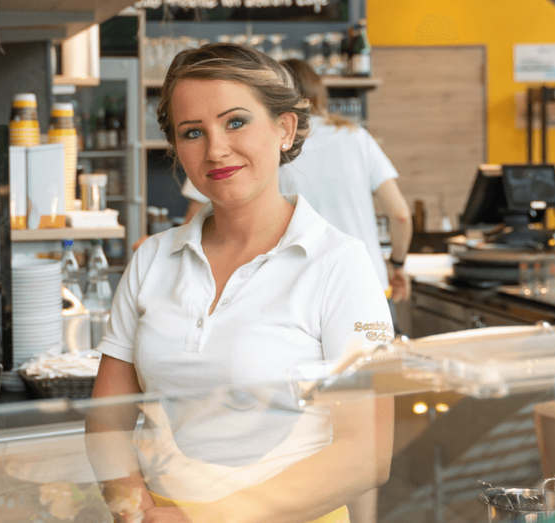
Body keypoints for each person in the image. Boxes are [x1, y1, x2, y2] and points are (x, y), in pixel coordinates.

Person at [86, 43, 394, 523]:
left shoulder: (340, 265)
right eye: (193, 132)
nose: (215, 149)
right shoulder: (152, 260)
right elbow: (107, 421)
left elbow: (367, 453)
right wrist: (134, 511)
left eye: (235, 122)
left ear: (284, 128)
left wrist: (203, 521)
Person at [181, 60, 413, 303]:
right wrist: (396, 263)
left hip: (296, 288)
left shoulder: (260, 139)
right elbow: (400, 215)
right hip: (366, 280)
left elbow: (193, 227)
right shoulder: (356, 137)